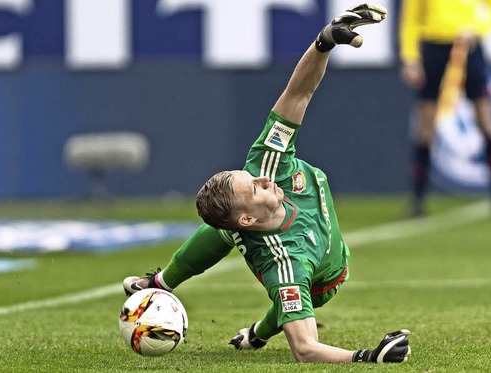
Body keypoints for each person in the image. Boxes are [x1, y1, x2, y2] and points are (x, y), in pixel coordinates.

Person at [123, 4, 411, 364]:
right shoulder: (286, 266)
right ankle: (258, 331)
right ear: (249, 216)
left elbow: (298, 94)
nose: (263, 179)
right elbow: (305, 350)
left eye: (253, 176)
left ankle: (161, 284)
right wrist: (368, 356)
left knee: (224, 227)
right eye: (255, 187)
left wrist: (324, 42)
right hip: (326, 278)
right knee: (258, 263)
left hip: (257, 231)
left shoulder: (266, 165)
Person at [398, 0, 491, 217]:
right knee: (426, 126)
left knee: (485, 121)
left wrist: (478, 30)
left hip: (468, 47)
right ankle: (418, 200)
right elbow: (410, 20)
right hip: (433, 46)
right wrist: (410, 58)